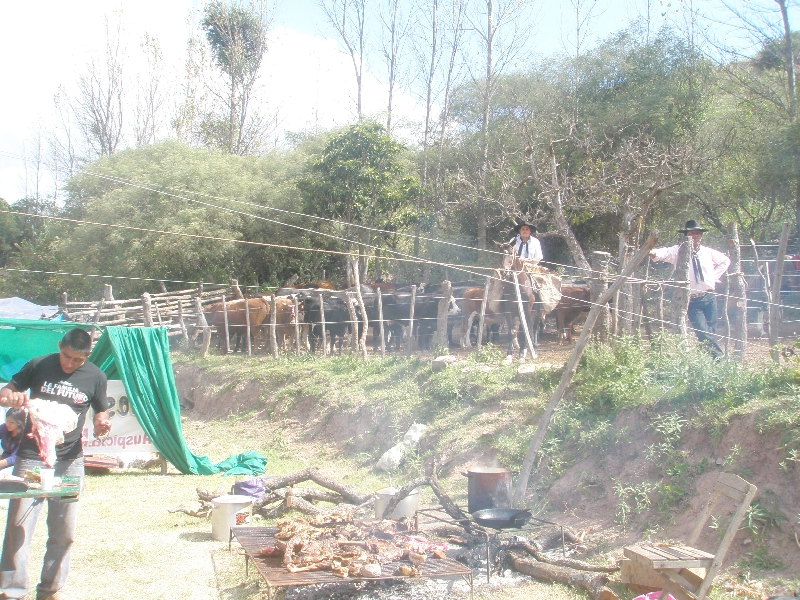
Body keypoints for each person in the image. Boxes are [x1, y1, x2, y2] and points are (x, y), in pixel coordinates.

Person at [0, 329, 111, 600]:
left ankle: (50, 590)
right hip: (31, 456)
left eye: (77, 359)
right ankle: (11, 591)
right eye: (66, 355)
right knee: (18, 526)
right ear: (59, 346)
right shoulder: (39, 364)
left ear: (88, 355)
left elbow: (101, 411)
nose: (69, 363)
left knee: (64, 530)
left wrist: (101, 424)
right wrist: (8, 397)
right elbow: (6, 392)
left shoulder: (96, 376)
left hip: (69, 459)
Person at [650, 220, 731, 358]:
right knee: (702, 331)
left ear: (701, 236)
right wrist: (651, 251)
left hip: (709, 297)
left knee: (710, 332)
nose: (695, 236)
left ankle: (706, 361)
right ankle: (719, 359)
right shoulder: (678, 250)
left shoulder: (708, 252)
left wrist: (713, 277)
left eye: (697, 234)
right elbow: (663, 252)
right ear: (686, 235)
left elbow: (725, 261)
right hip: (692, 300)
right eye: (692, 233)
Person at [0, 409, 26, 475]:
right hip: (4, 459)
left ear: (19, 422)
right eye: (7, 421)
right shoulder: (4, 427)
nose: (8, 424)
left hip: (17, 464)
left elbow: (15, 458)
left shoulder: (24, 435)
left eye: (12, 422)